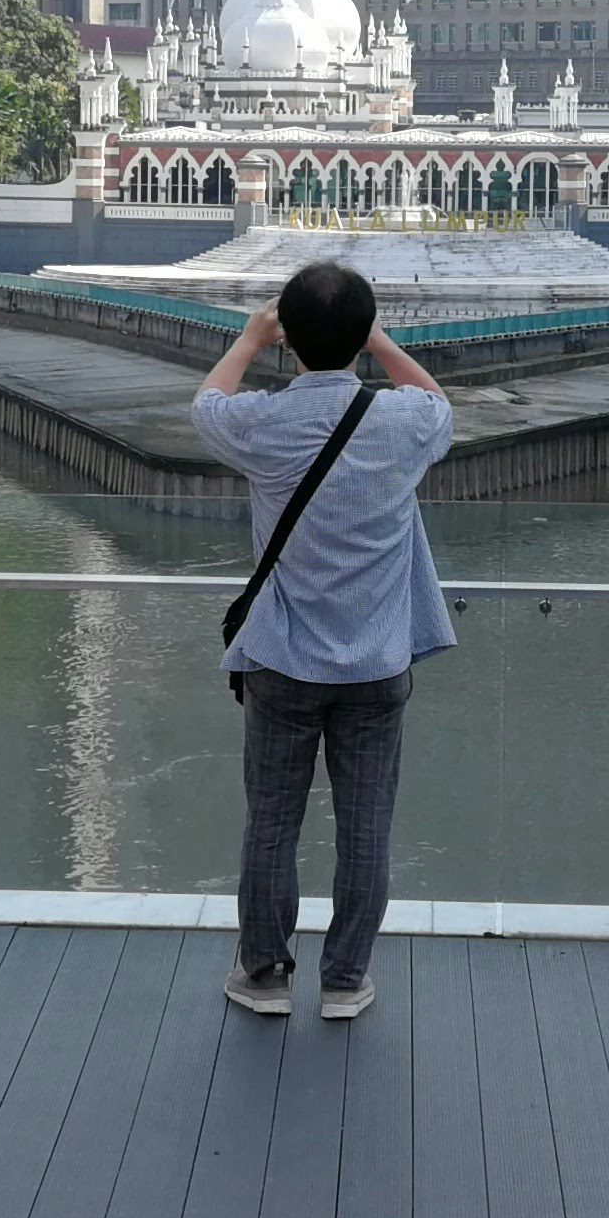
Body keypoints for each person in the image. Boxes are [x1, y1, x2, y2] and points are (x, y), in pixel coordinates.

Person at [191, 260, 456, 1021]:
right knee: (367, 824)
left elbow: (207, 405)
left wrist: (247, 337)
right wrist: (379, 342)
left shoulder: (264, 424)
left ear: (290, 342)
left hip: (281, 659)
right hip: (377, 662)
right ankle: (345, 981)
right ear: (362, 336)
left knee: (272, 821)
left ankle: (265, 975)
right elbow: (436, 400)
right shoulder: (407, 424)